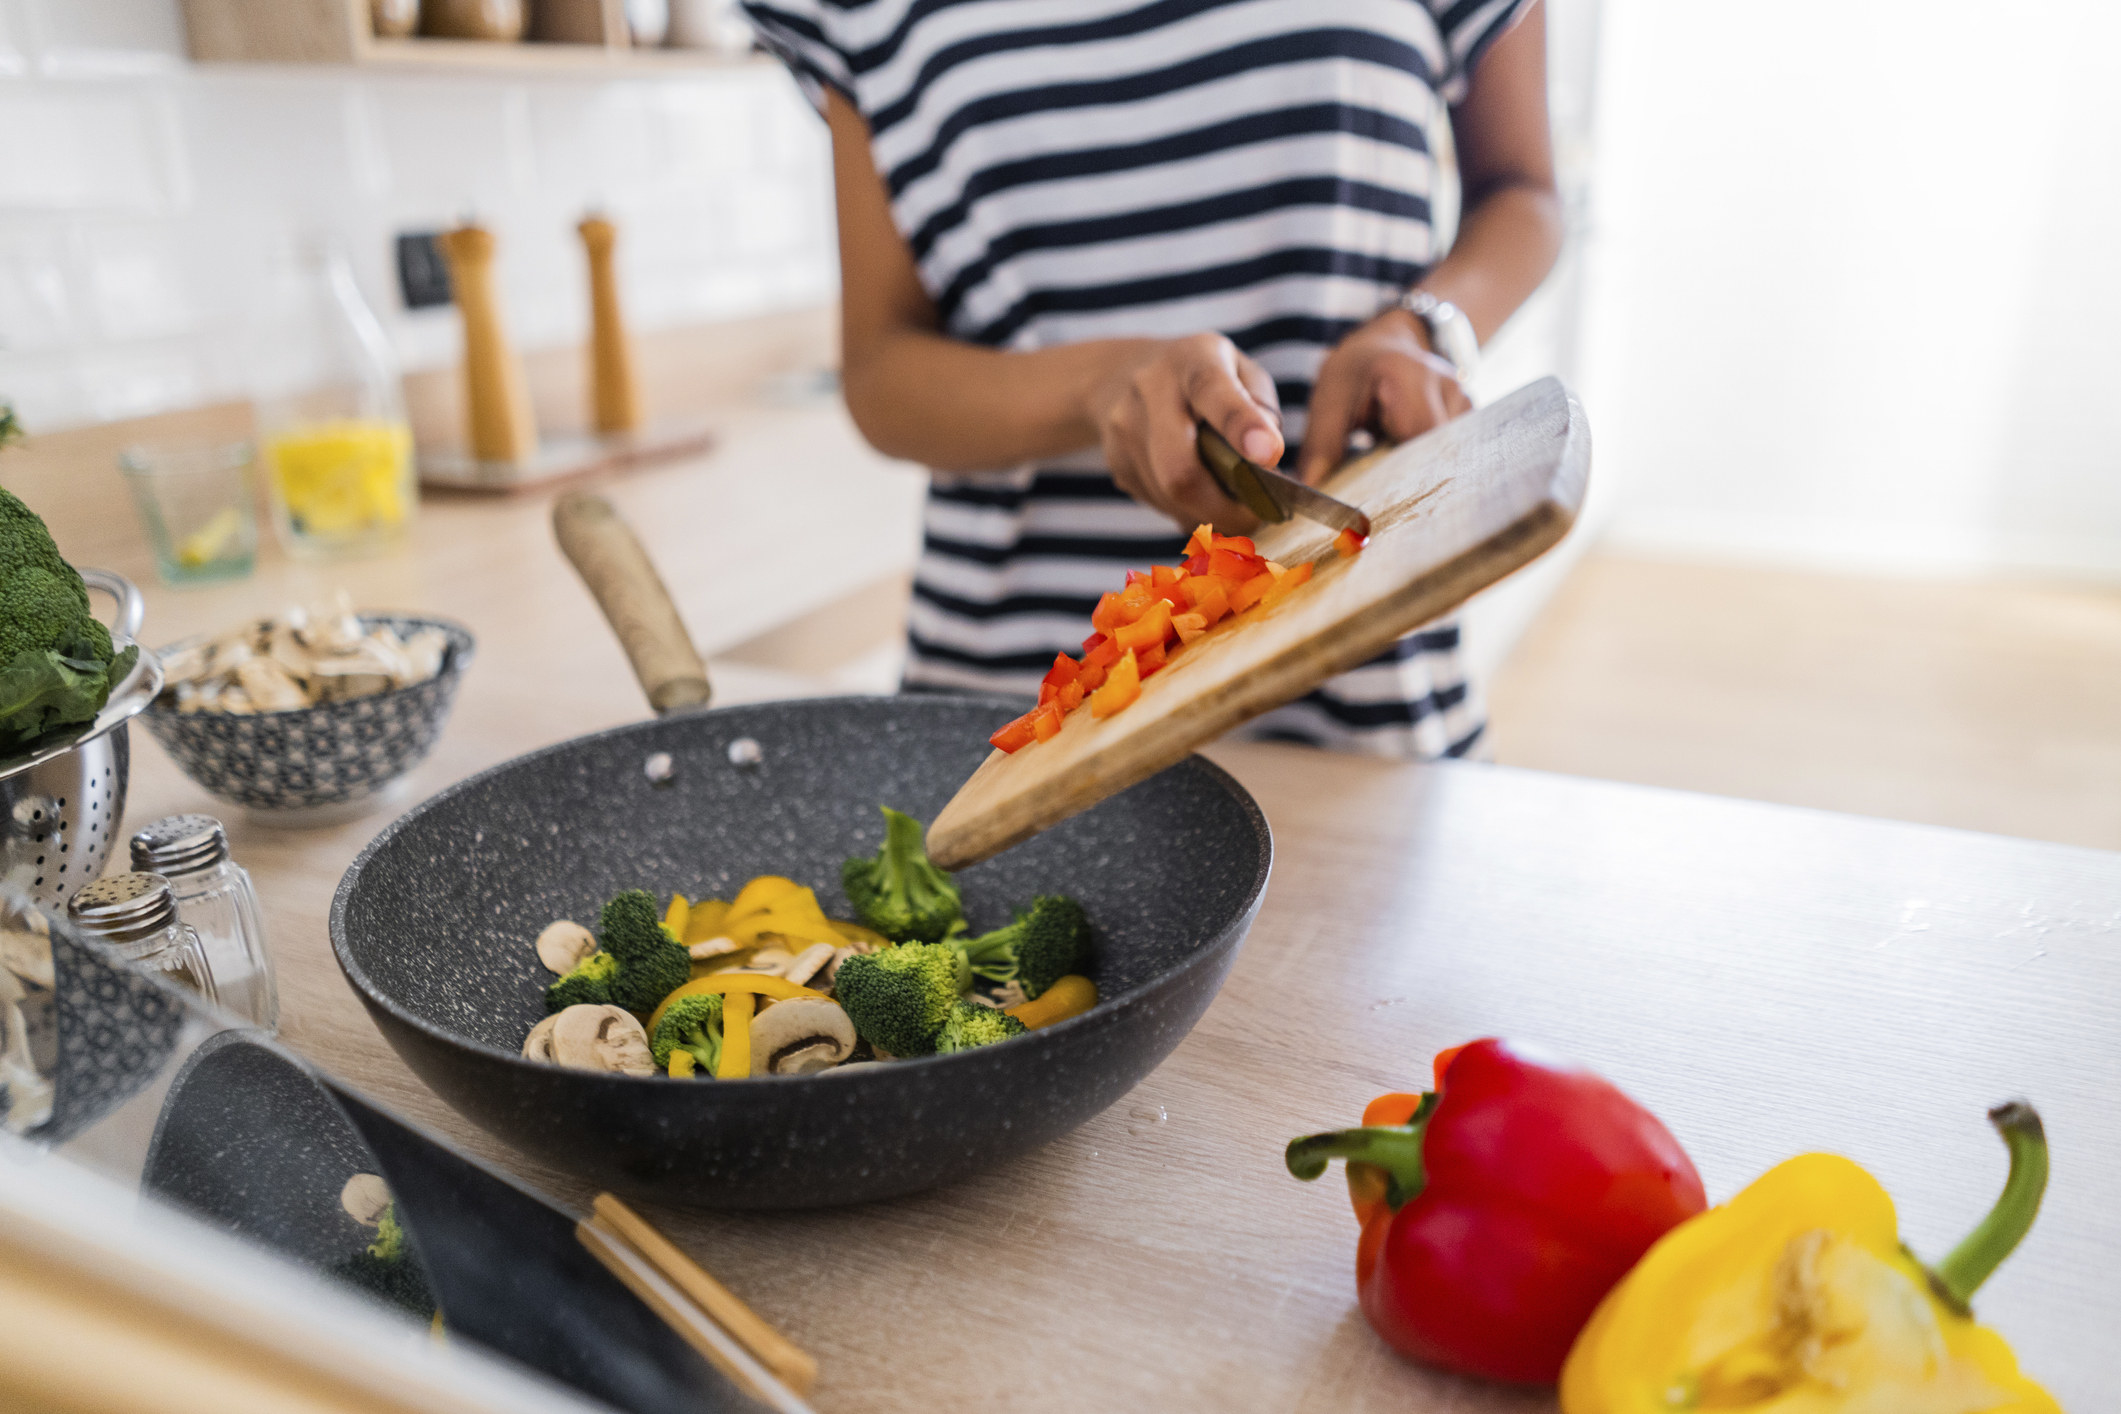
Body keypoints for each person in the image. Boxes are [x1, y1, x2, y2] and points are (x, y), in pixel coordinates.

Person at [743, 0, 1561, 757]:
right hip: (1006, 691)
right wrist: (1101, 385)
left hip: (1364, 677)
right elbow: (882, 371)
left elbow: (1523, 193)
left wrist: (1422, 324)